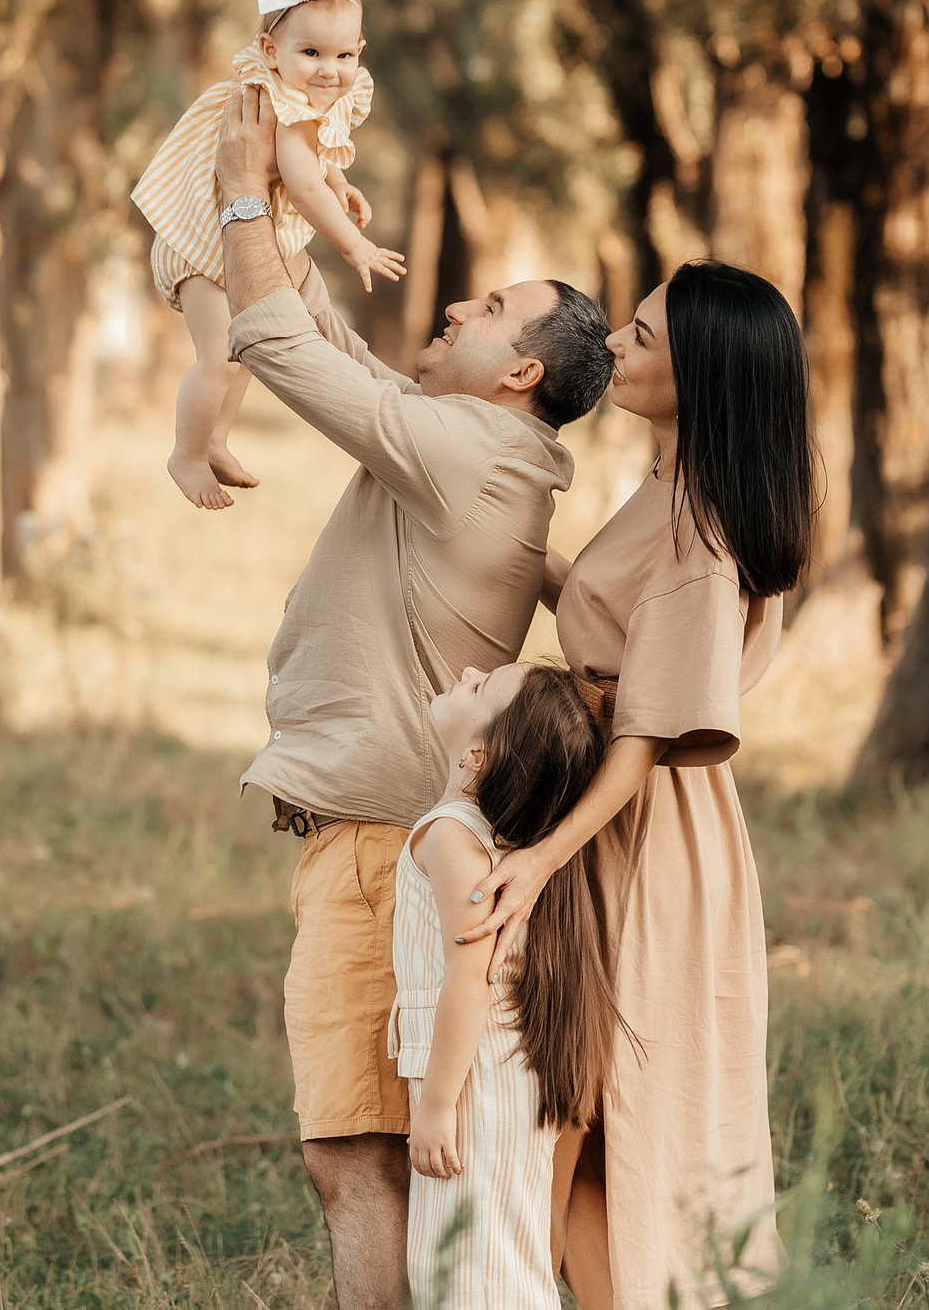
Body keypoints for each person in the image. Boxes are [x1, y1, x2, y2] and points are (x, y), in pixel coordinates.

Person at [209, 85, 614, 1310]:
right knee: (372, 1158)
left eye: (489, 311)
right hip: (386, 836)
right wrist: (288, 210)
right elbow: (330, 347)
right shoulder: (465, 439)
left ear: (521, 373)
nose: (454, 307)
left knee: (353, 1160)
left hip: (388, 849)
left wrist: (235, 192)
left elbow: (276, 346)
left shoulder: (468, 452)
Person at [462, 260, 811, 1309]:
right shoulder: (664, 486)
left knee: (600, 1109)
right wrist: (526, 558)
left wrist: (535, 863)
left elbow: (646, 738)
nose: (614, 343)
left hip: (645, 838)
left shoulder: (703, 534)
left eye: (644, 339)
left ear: (700, 375)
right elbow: (622, 627)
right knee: (577, 1114)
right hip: (611, 812)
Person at [129, 0, 406, 510]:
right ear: (270, 49)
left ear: (359, 50)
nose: (329, 71)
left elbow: (316, 155)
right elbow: (300, 182)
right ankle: (186, 452)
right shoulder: (281, 99)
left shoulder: (308, 92)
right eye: (312, 54)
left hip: (224, 241)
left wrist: (342, 181)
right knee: (220, 357)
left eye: (344, 56)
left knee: (248, 346)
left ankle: (215, 439)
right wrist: (354, 244)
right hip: (201, 245)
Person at [396, 662, 628, 1309]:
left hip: (473, 1086)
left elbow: (468, 979)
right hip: (495, 1076)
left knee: (475, 1272)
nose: (467, 671)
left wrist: (438, 1105)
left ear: (477, 754)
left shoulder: (450, 838)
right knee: (497, 1259)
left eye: (479, 687)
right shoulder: (489, 838)